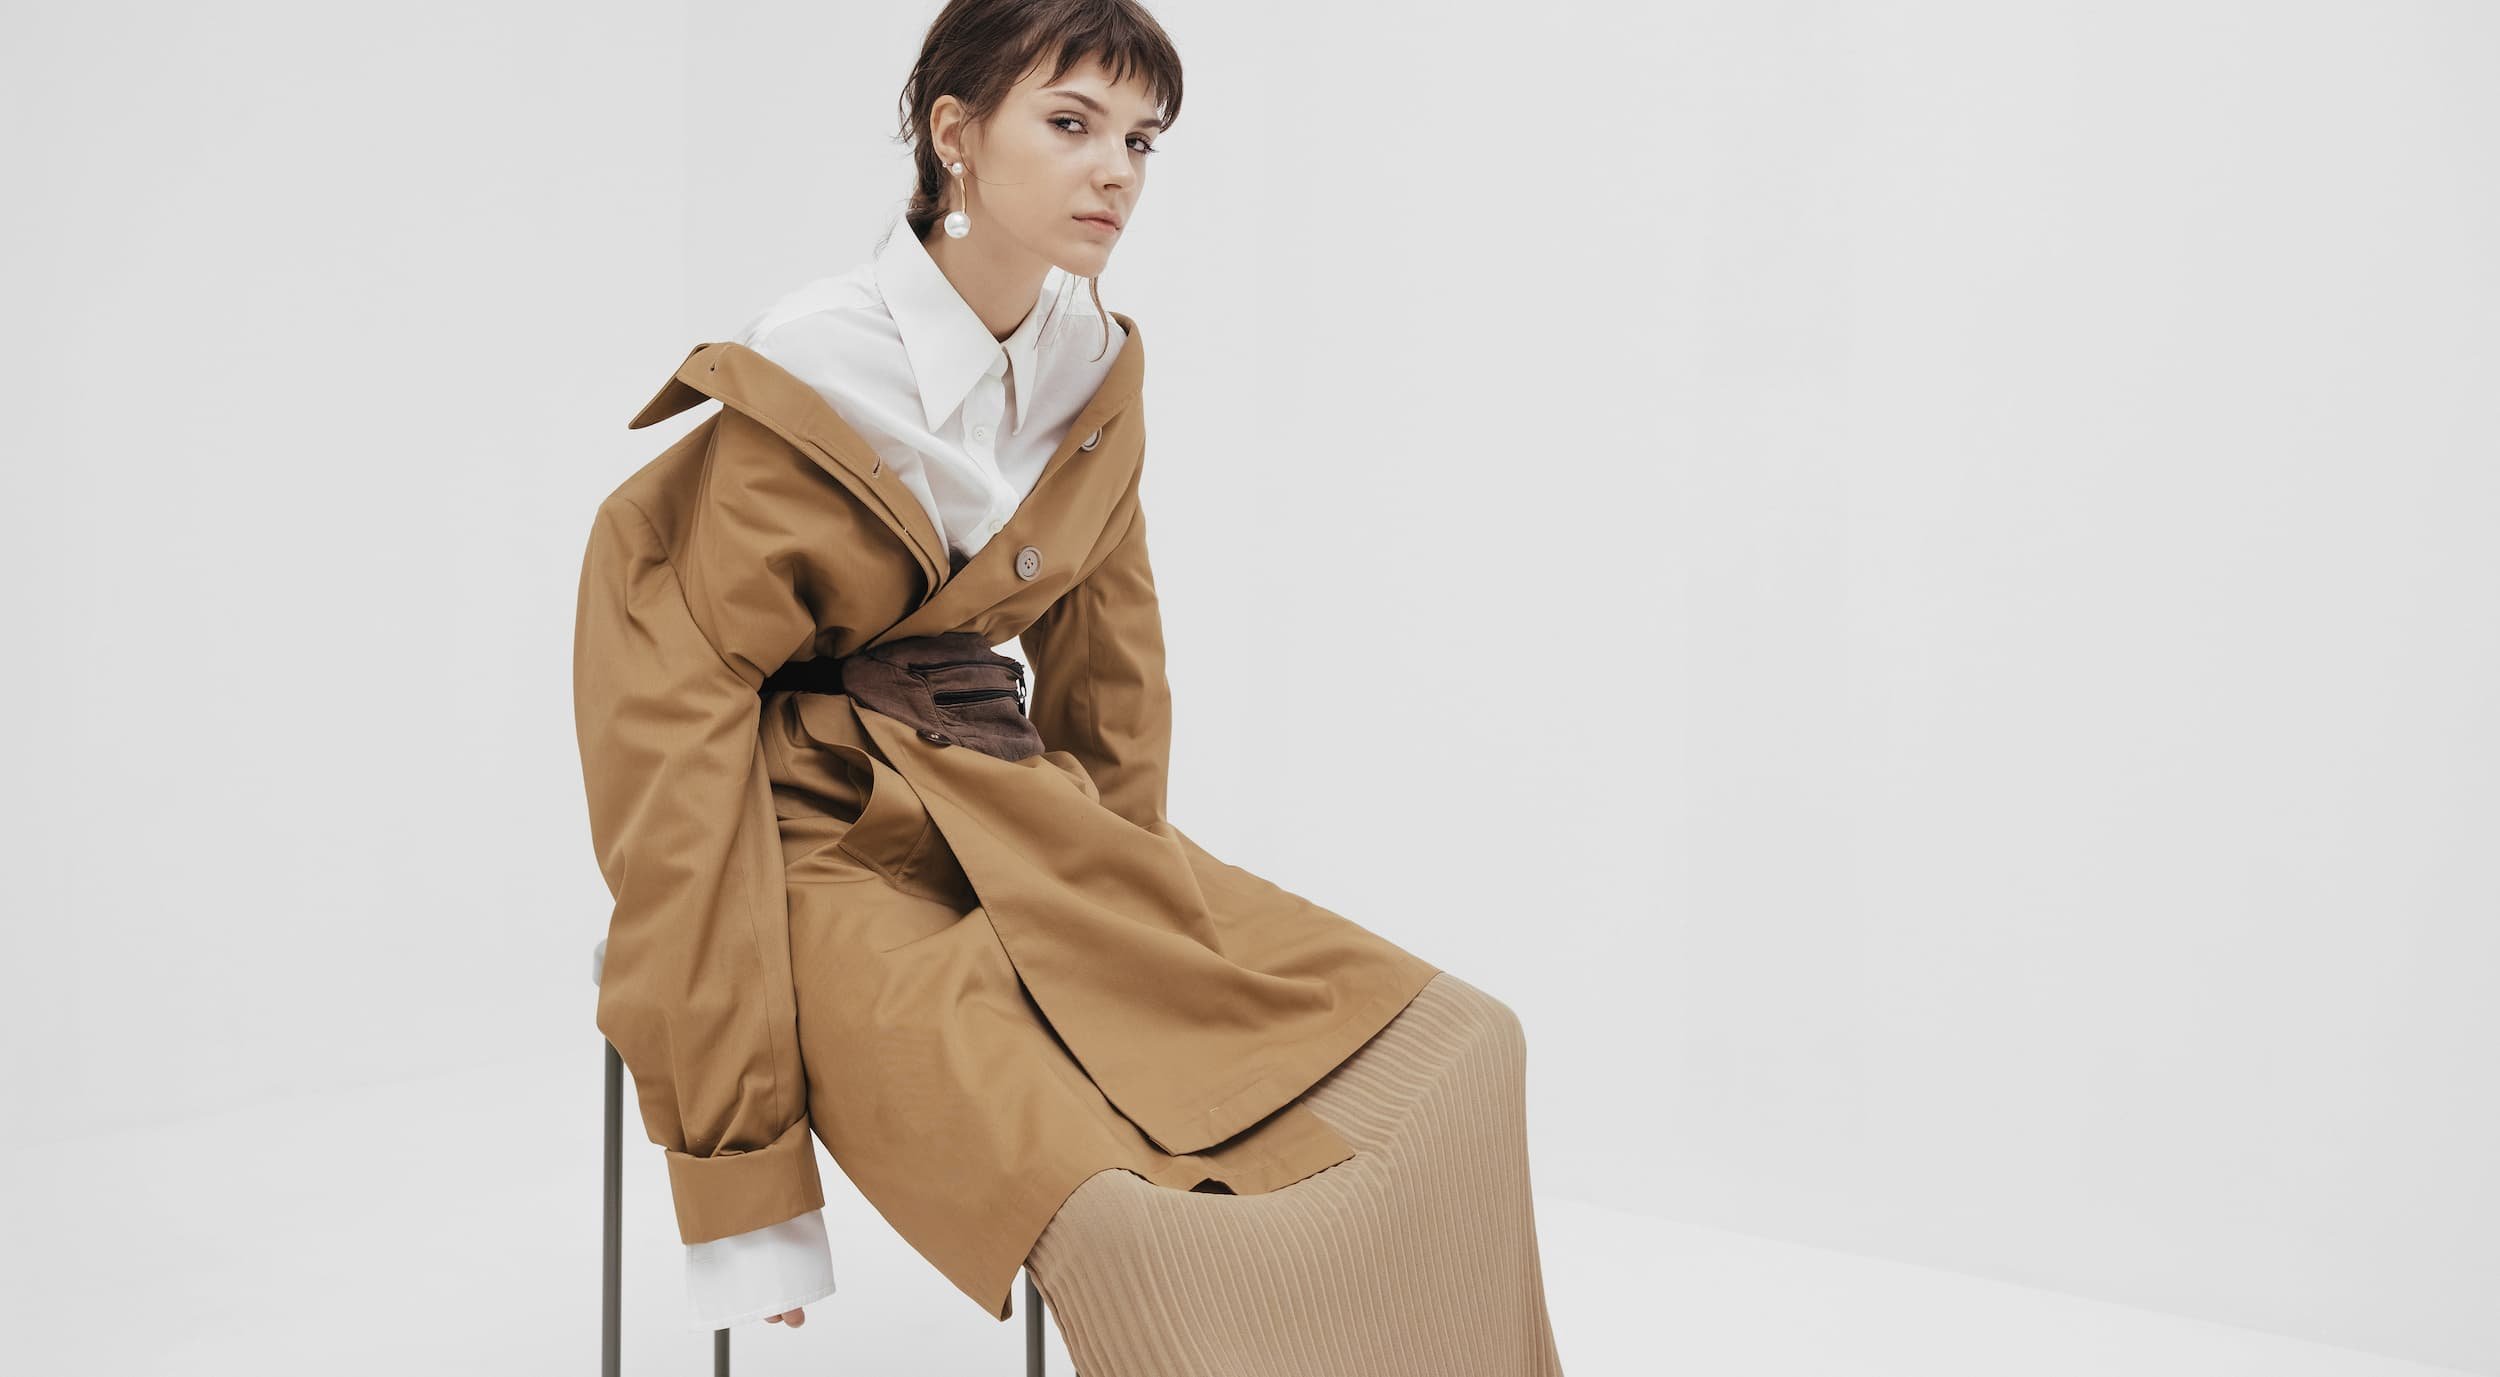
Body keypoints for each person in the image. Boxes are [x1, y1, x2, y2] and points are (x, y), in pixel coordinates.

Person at [571, 2, 1565, 1371]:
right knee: (1149, 1224)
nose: (1119, 172)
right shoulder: (809, 374)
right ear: (955, 135)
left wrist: (1128, 926)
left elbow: (1115, 687)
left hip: (1017, 822)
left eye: (1143, 140)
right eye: (1072, 122)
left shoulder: (1090, 373)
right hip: (810, 854)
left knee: (1464, 1048)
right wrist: (745, 1188)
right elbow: (672, 792)